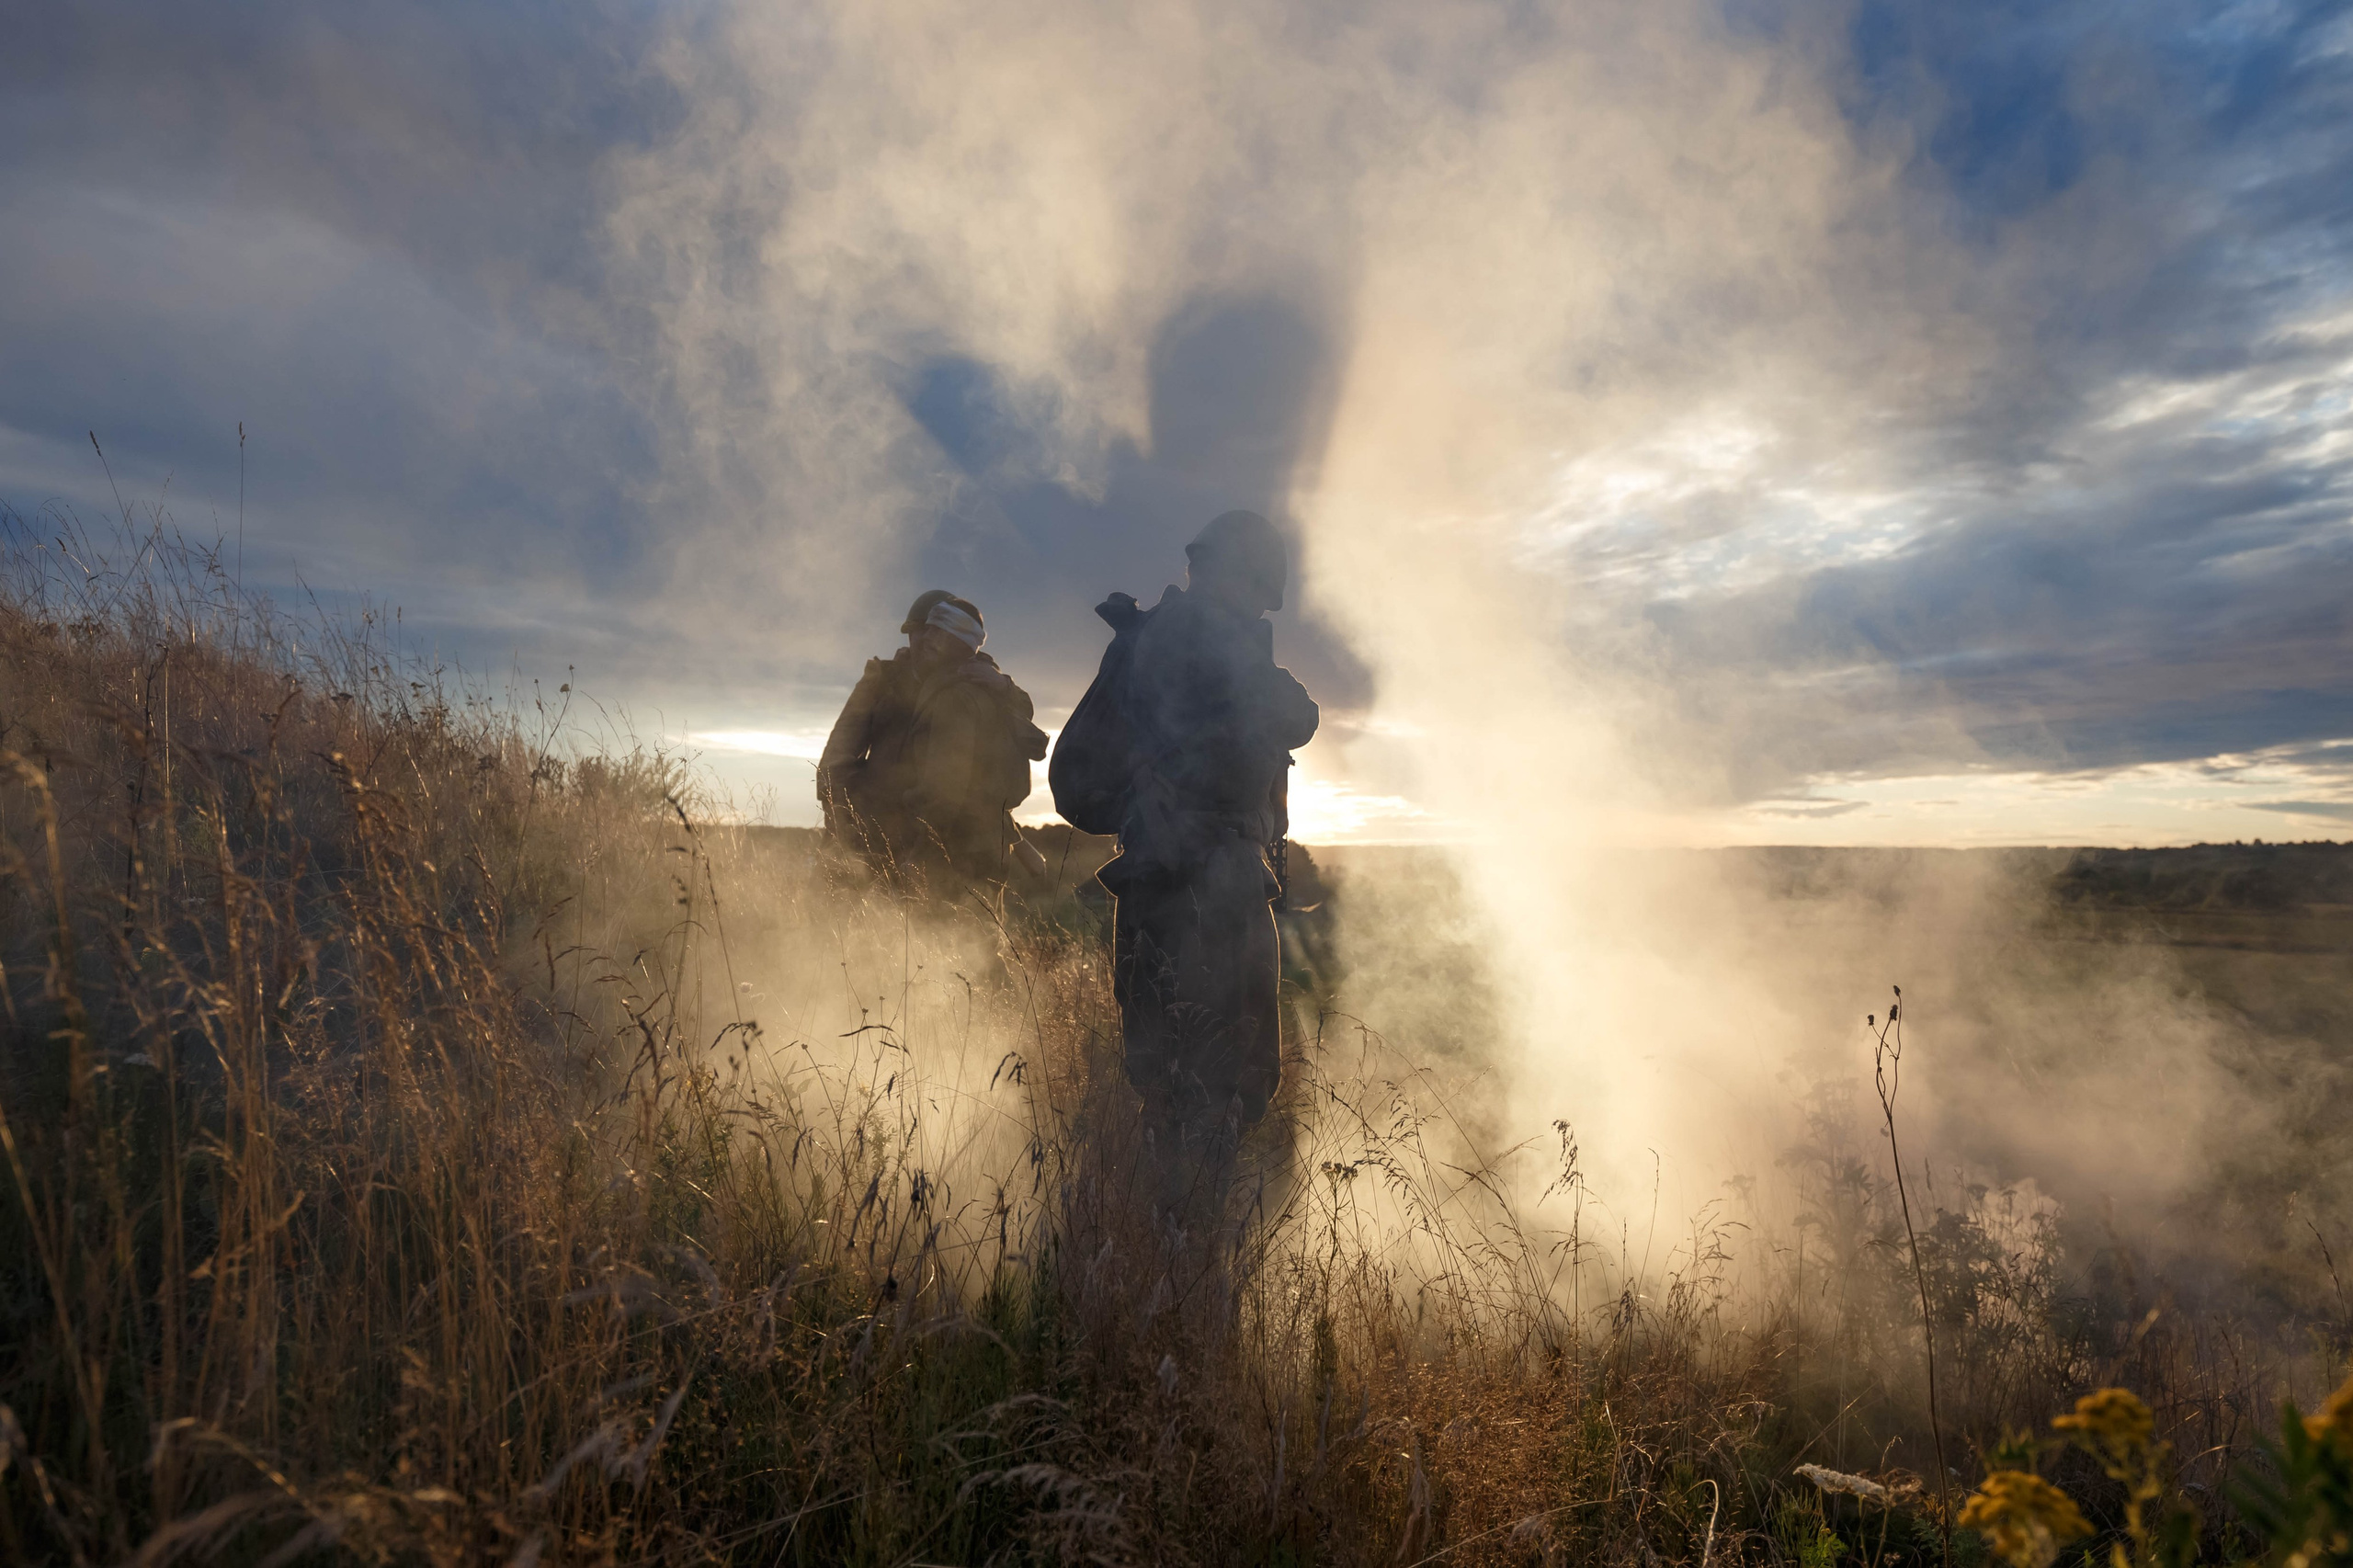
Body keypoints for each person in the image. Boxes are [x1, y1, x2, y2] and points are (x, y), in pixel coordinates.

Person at [1060, 511, 1320, 1153]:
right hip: (1210, 884)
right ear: (1240, 576)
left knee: (1170, 1070)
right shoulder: (1210, 636)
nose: (1260, 610)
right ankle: (1194, 1205)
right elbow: (1298, 715)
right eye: (1259, 593)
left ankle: (1167, 1200)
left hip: (1156, 873)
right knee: (1222, 1071)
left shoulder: (1151, 637)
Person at [817, 591, 1050, 890]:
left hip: (949, 831)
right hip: (879, 821)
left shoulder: (975, 675)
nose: (923, 641)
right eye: (918, 632)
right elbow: (837, 756)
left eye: (932, 632)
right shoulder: (882, 680)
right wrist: (841, 821)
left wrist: (1004, 686)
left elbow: (1021, 713)